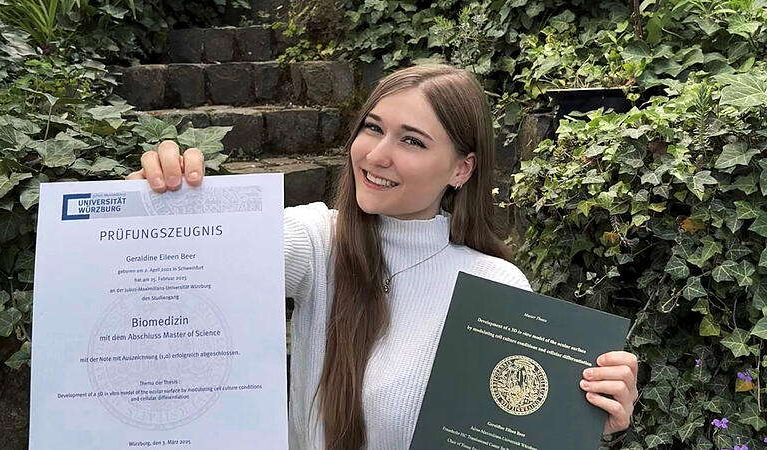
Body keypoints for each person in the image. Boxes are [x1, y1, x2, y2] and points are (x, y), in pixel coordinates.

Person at [126, 64, 638, 450]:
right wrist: (158, 207)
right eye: (372, 128)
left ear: (462, 169)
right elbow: (198, 255)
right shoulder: (317, 241)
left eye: (411, 141)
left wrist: (590, 418)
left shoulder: (498, 285)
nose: (374, 155)